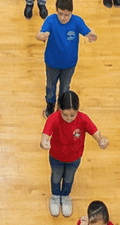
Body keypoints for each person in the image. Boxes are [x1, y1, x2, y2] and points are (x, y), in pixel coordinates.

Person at [41, 89, 108, 217]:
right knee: (56, 177)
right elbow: (45, 135)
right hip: (56, 157)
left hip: (74, 158)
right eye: (65, 114)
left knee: (69, 178)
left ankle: (65, 196)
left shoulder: (83, 119)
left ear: (78, 110)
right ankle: (55, 196)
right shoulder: (54, 118)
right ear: (59, 109)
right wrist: (44, 142)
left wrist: (101, 140)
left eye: (72, 115)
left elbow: (96, 133)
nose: (68, 118)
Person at [38, 0, 95, 115]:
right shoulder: (51, 20)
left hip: (69, 64)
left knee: (65, 87)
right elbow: (41, 33)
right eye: (60, 14)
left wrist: (91, 35)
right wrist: (41, 36)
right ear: (56, 10)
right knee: (50, 87)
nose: (63, 17)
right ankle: (50, 106)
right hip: (52, 63)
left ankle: (61, 108)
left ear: (71, 12)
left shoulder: (77, 21)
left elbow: (87, 31)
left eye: (66, 15)